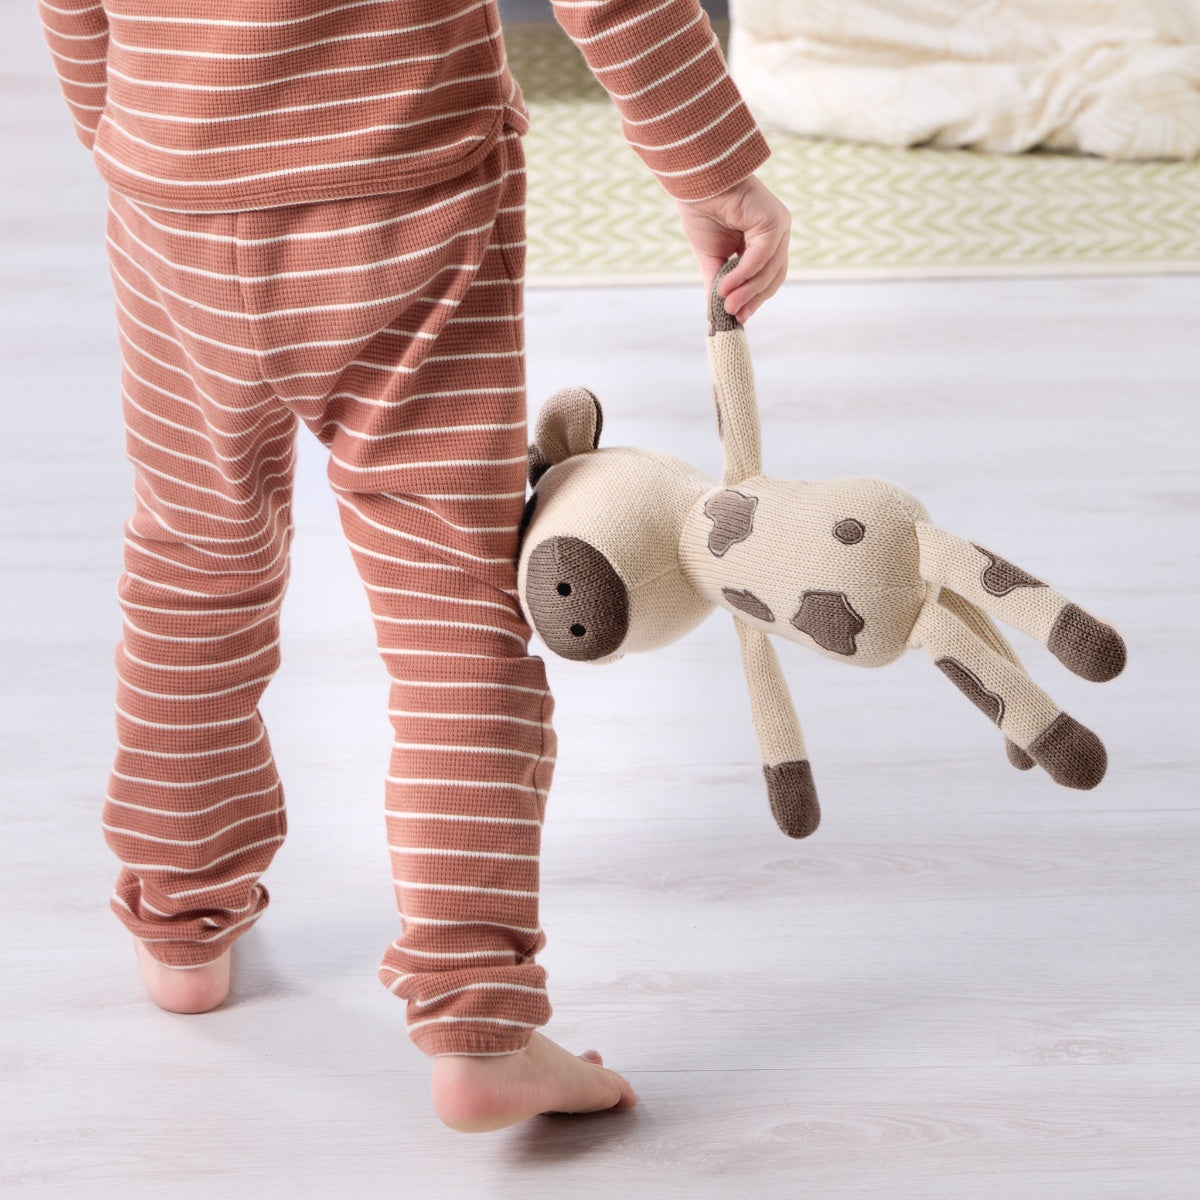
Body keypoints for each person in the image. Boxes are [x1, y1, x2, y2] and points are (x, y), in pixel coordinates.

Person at [38, 0, 791, 1132]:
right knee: (451, 601)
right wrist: (713, 169)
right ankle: (478, 1019)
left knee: (197, 553)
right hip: (406, 181)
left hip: (172, 187)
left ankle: (180, 918)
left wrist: (122, 130)